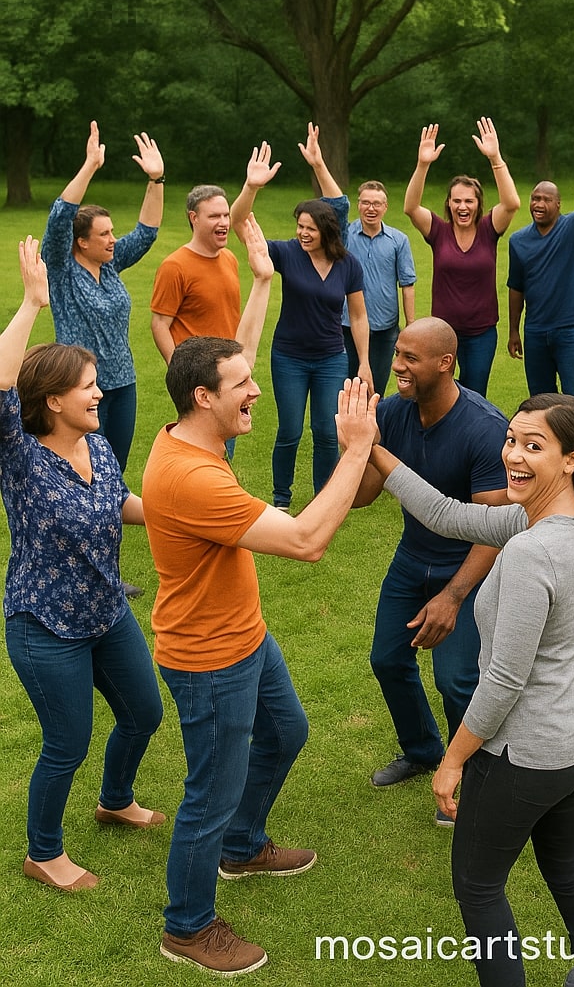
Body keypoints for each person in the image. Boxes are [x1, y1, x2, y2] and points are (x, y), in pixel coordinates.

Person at [143, 216, 380, 976]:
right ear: (206, 398)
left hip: (243, 636)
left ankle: (242, 850)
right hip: (209, 658)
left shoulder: (192, 433)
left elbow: (216, 359)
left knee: (287, 734)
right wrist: (356, 451)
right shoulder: (197, 477)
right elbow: (308, 540)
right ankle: (186, 924)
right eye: (242, 387)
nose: (255, 392)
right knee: (209, 792)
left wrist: (263, 286)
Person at [342, 392, 574, 987]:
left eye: (533, 446)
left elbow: (503, 680)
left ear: (571, 459)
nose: (514, 455)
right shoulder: (573, 514)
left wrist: (451, 761)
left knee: (477, 885)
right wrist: (374, 451)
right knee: (569, 867)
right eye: (513, 440)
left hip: (528, 753)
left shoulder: (529, 552)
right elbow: (447, 514)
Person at [2, 238, 164, 893]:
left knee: (144, 713)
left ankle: (115, 798)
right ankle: (44, 852)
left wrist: (163, 511)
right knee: (66, 742)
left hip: (105, 611)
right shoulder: (20, 455)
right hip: (44, 625)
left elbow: (115, 501)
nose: (100, 395)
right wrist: (33, 301)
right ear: (52, 401)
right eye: (87, 387)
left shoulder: (95, 443)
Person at [350, 319, 508, 824]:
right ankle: (422, 751)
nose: (396, 366)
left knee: (458, 679)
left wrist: (454, 597)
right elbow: (361, 498)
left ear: (445, 364)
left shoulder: (485, 428)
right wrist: (358, 444)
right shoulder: (394, 414)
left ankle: (473, 777)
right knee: (387, 660)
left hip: (467, 568)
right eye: (396, 354)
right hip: (411, 559)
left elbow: (493, 529)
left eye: (409, 358)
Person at [229, 125, 371, 510]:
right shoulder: (287, 253)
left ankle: (325, 497)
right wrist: (251, 187)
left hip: (330, 357)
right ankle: (280, 499)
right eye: (300, 227)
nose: (302, 234)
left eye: (310, 229)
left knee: (326, 432)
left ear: (328, 232)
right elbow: (239, 221)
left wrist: (364, 362)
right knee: (290, 431)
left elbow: (358, 317)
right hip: (289, 356)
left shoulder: (348, 265)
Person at [42, 120, 164, 472]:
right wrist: (90, 165)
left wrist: (156, 181)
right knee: (82, 468)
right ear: (81, 242)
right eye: (104, 234)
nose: (113, 239)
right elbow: (60, 216)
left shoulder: (110, 264)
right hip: (78, 384)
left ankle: (111, 527)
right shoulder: (62, 270)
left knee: (115, 470)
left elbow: (146, 234)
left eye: (112, 232)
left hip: (123, 382)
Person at [403, 118, 521, 396]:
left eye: (469, 200)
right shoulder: (438, 231)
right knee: (436, 393)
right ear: (448, 204)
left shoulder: (489, 229)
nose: (462, 206)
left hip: (481, 333)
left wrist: (495, 158)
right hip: (442, 334)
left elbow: (512, 203)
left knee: (474, 394)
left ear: (479, 204)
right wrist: (423, 164)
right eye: (456, 200)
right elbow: (410, 207)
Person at [507, 179, 574, 472]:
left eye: (546, 199)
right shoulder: (518, 241)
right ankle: (548, 465)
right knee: (541, 406)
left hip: (573, 329)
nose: (539, 204)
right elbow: (515, 288)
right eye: (535, 198)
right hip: (535, 332)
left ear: (558, 205)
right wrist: (513, 330)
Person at [151, 184, 241, 363]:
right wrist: (177, 368)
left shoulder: (230, 258)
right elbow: (160, 324)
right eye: (214, 216)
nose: (223, 222)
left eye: (226, 215)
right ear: (194, 218)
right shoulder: (174, 266)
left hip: (229, 365)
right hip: (196, 369)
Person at [344, 180, 417, 394]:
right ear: (358, 205)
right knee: (348, 386)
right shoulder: (345, 237)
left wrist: (410, 325)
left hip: (384, 328)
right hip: (346, 325)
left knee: (376, 389)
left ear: (385, 207)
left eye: (377, 203)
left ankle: (376, 426)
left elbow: (407, 284)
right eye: (366, 203)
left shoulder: (398, 240)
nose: (371, 208)